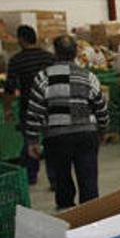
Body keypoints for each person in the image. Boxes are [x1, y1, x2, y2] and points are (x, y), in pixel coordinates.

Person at [24, 35, 108, 210]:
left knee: (62, 181)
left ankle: (67, 215)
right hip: (86, 135)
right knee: (89, 180)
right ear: (76, 52)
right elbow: (101, 106)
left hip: (56, 138)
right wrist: (102, 130)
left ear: (55, 52)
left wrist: (32, 140)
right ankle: (91, 220)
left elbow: (34, 111)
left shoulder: (43, 77)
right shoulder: (88, 76)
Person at [3, 25, 54, 185]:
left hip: (29, 108)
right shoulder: (49, 58)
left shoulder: (16, 60)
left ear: (21, 40)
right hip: (50, 107)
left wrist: (8, 109)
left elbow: (10, 88)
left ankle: (30, 177)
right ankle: (55, 179)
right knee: (51, 142)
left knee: (30, 142)